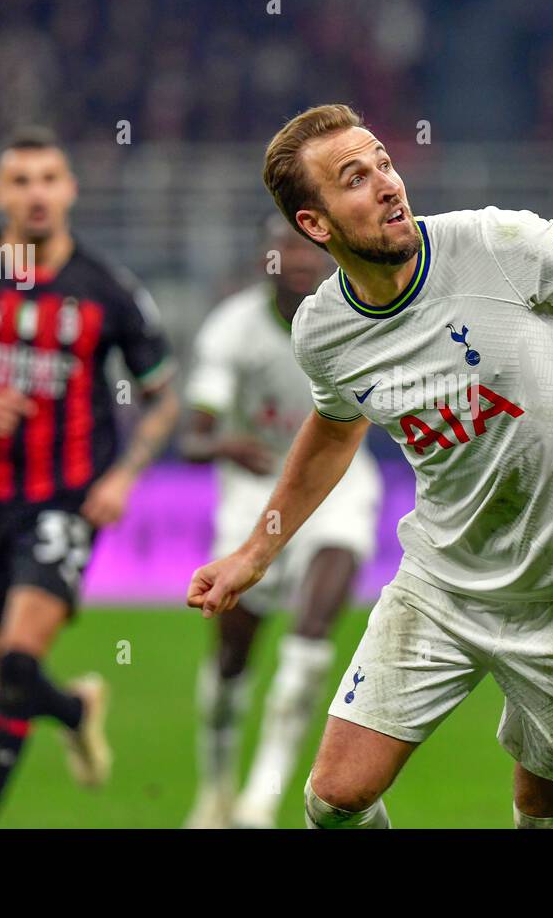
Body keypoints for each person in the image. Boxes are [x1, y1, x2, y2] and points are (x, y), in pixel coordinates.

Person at [186, 104, 553, 828]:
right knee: (335, 800)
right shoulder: (323, 330)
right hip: (444, 583)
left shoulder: (502, 242)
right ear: (315, 224)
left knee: (545, 807)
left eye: (384, 162)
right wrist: (254, 554)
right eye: (354, 178)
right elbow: (333, 427)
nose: (388, 183)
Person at [0, 127, 180, 827]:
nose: (36, 193)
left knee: (18, 669)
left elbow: (163, 398)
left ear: (70, 188)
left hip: (66, 498)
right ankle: (77, 708)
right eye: (20, 181)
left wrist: (123, 480)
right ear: (0, 194)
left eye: (49, 178)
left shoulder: (108, 289)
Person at [181, 215, 382, 828]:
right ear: (266, 258)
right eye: (286, 248)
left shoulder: (353, 319)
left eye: (310, 249)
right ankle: (214, 790)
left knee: (310, 640)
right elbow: (194, 439)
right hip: (253, 495)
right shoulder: (232, 330)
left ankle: (260, 800)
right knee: (232, 657)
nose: (299, 259)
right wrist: (227, 447)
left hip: (339, 486)